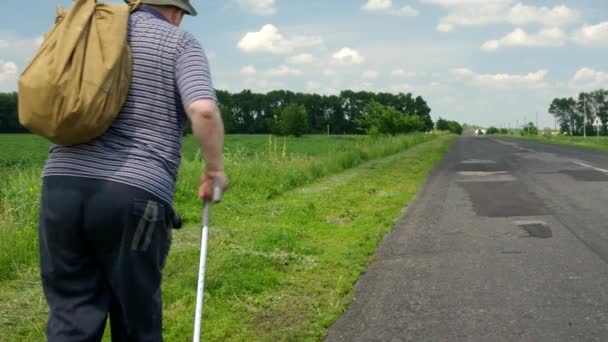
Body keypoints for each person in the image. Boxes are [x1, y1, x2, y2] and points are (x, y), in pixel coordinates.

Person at [38, 0, 228, 340]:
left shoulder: (85, 33)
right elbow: (203, 110)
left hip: (60, 187)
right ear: (176, 12)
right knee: (135, 316)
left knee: (71, 315)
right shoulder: (178, 42)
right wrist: (214, 169)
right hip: (134, 194)